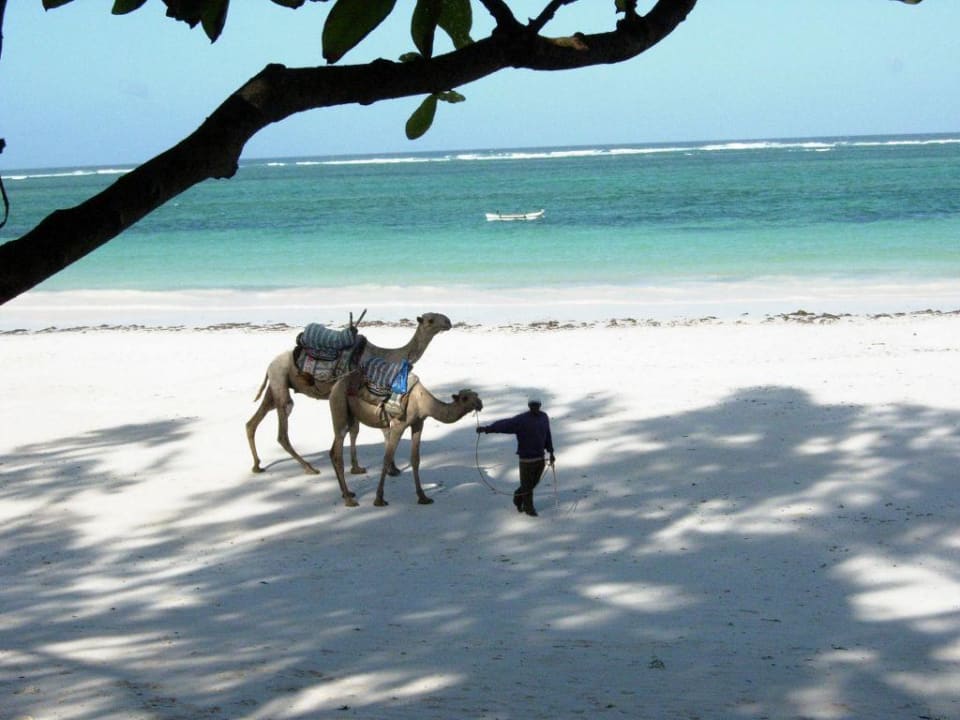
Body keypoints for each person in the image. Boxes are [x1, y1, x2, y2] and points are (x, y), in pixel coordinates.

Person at [477, 398, 555, 516]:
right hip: (526, 460)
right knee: (528, 487)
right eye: (532, 405)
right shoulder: (521, 420)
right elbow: (504, 425)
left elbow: (547, 434)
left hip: (540, 458)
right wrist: (487, 429)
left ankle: (518, 497)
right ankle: (529, 509)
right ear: (529, 406)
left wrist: (551, 452)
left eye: (537, 405)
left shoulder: (544, 417)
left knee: (532, 483)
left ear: (540, 405)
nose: (535, 407)